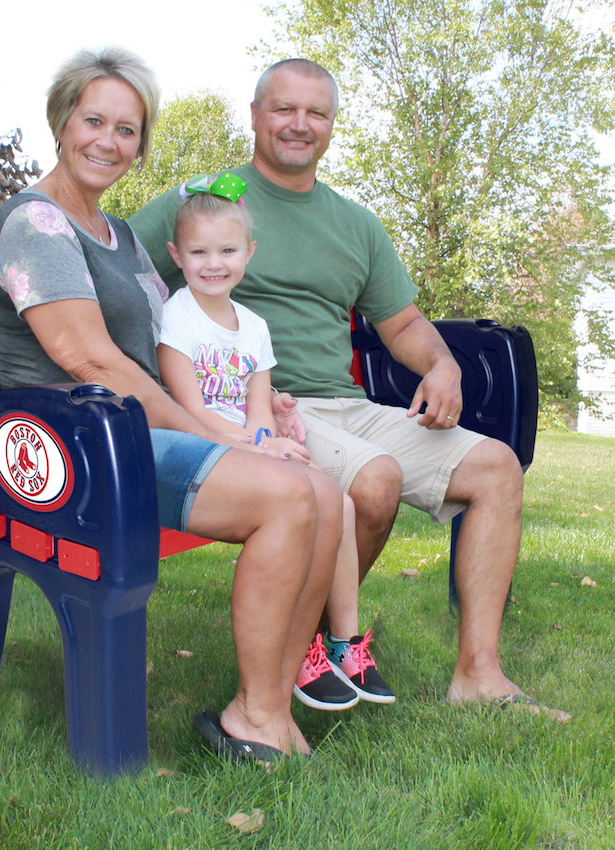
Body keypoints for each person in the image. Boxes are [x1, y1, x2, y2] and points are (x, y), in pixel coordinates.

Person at [130, 58, 570, 721]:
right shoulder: (206, 204)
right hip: (262, 407)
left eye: (317, 113)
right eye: (284, 109)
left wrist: (442, 365)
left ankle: (478, 674)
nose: (299, 125)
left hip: (349, 404)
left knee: (496, 468)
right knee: (374, 481)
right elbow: (116, 269)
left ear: (332, 126)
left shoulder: (355, 223)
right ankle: (310, 650)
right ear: (255, 116)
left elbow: (403, 323)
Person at [0, 46, 351, 761]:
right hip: (70, 442)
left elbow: (168, 348)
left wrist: (257, 405)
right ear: (61, 121)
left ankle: (265, 703)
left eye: (127, 129)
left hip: (128, 431)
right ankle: (261, 716)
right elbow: (87, 358)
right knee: (286, 497)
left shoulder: (116, 235)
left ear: (141, 144)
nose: (108, 141)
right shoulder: (37, 223)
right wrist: (221, 441)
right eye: (94, 120)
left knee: (325, 494)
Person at [156, 174, 394, 708]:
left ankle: (342, 643)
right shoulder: (177, 316)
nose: (213, 263)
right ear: (176, 254)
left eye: (227, 250)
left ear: (249, 253)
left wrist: (268, 438)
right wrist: (260, 448)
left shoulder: (255, 327)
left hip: (250, 443)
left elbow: (258, 402)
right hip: (205, 445)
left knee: (341, 502)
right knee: (303, 498)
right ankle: (297, 652)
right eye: (198, 251)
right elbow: (189, 408)